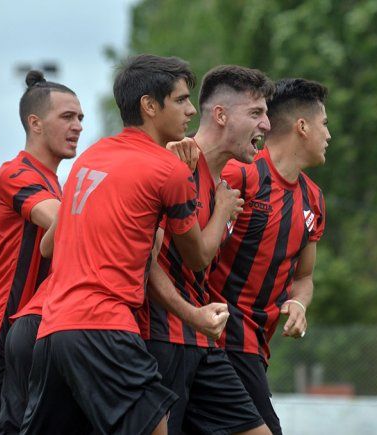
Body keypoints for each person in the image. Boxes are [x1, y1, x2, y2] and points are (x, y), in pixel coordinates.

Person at [20, 54, 242, 435]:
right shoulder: (169, 170)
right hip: (104, 326)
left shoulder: (91, 156)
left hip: (52, 330)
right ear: (149, 106)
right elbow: (198, 257)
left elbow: (49, 247)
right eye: (181, 99)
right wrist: (222, 209)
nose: (191, 110)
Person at [138, 65, 275, 435]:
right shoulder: (175, 164)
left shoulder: (225, 186)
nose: (266, 125)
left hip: (202, 342)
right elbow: (147, 262)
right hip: (161, 338)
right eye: (256, 113)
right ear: (220, 114)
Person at [0, 70, 83, 435]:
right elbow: (62, 221)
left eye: (80, 118)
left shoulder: (59, 184)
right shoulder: (16, 172)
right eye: (67, 117)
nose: (78, 126)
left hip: (42, 337)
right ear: (35, 123)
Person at [207, 78, 329, 434]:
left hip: (256, 349)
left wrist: (300, 305)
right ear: (302, 127)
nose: (329, 135)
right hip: (221, 339)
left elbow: (304, 277)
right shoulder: (240, 174)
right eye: (324, 124)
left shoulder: (314, 200)